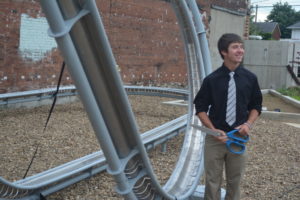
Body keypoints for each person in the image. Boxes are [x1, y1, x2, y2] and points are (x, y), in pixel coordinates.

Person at [193, 33, 262, 200]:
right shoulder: (211, 80)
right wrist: (213, 130)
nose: (240, 50)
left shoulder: (250, 79)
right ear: (224, 52)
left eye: (241, 46)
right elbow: (200, 107)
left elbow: (256, 106)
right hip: (214, 139)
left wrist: (248, 124)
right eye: (235, 47)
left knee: (235, 181)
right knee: (212, 181)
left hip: (238, 137)